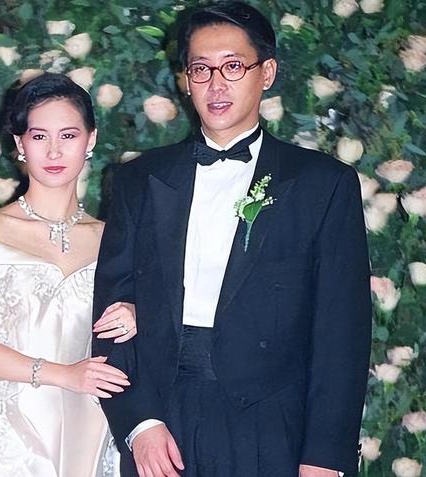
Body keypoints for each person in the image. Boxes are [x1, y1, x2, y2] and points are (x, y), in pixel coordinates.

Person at [92, 2, 372, 477]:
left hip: (272, 426)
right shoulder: (140, 180)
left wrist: (325, 456)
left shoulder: (323, 184)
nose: (215, 84)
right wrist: (138, 423)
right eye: (200, 69)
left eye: (233, 66)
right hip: (163, 422)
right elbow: (112, 312)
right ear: (186, 79)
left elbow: (341, 332)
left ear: (267, 73)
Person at [0, 73, 137, 477]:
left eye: (68, 135)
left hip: (90, 423)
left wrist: (135, 313)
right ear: (20, 144)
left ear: (90, 139)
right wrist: (64, 375)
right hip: (6, 434)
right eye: (39, 137)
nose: (54, 150)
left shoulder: (113, 240)